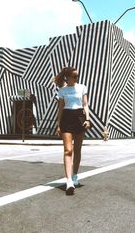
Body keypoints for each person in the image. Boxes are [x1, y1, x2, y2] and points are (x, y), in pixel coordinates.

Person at [53, 67, 91, 195]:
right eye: (74, 76)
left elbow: (85, 105)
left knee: (78, 149)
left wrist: (88, 119)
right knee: (68, 150)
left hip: (79, 117)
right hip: (67, 118)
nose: (76, 79)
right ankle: (69, 180)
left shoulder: (82, 87)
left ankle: (75, 175)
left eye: (77, 76)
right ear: (67, 77)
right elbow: (60, 109)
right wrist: (58, 125)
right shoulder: (62, 91)